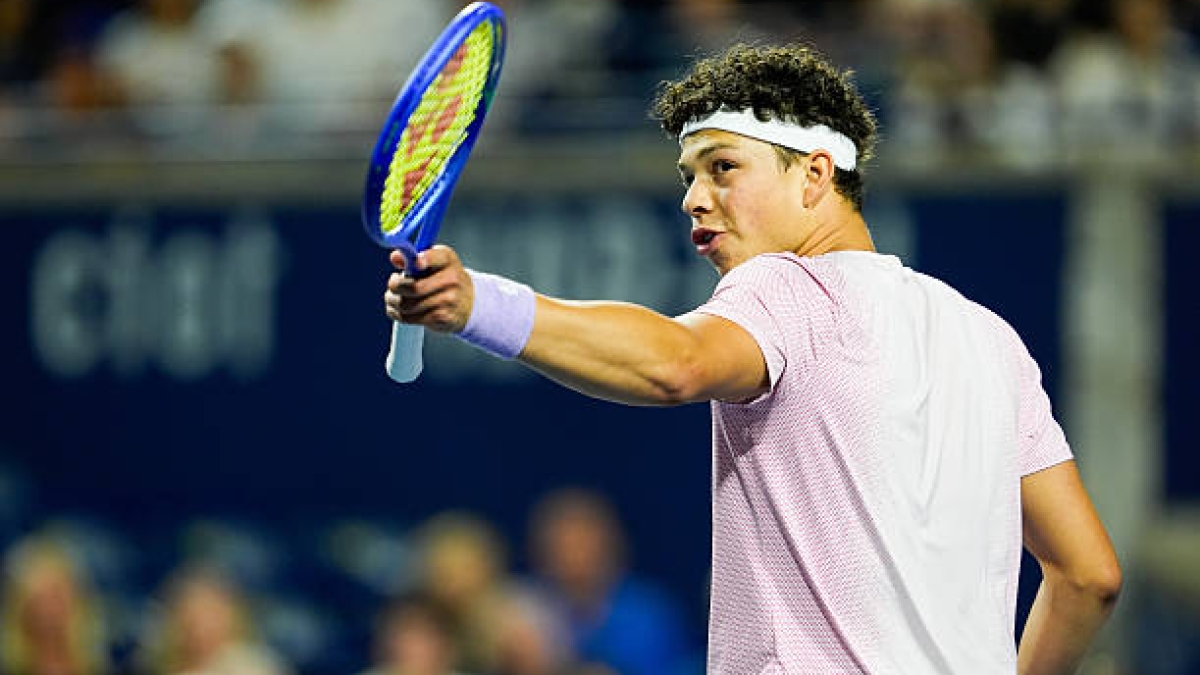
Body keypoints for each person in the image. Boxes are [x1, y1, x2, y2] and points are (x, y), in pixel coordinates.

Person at [383, 43, 1122, 673]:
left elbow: (676, 363)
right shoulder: (989, 338)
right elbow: (1088, 576)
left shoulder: (786, 286)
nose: (694, 199)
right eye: (689, 176)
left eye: (723, 166)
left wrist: (477, 305)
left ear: (816, 174)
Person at [525, 488, 693, 675]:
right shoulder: (527, 611)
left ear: (609, 545)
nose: (574, 557)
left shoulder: (649, 614)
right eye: (563, 546)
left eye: (583, 543)